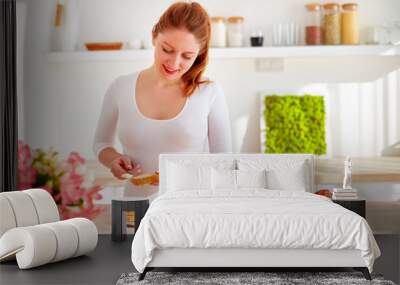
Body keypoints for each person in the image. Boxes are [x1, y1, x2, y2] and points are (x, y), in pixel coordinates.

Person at [92, 2, 232, 198]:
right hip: (135, 207)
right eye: (167, 49)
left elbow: (224, 162)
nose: (174, 63)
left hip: (189, 209)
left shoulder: (209, 92)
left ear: (199, 54)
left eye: (187, 56)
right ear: (154, 37)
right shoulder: (120, 87)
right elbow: (100, 143)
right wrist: (114, 159)